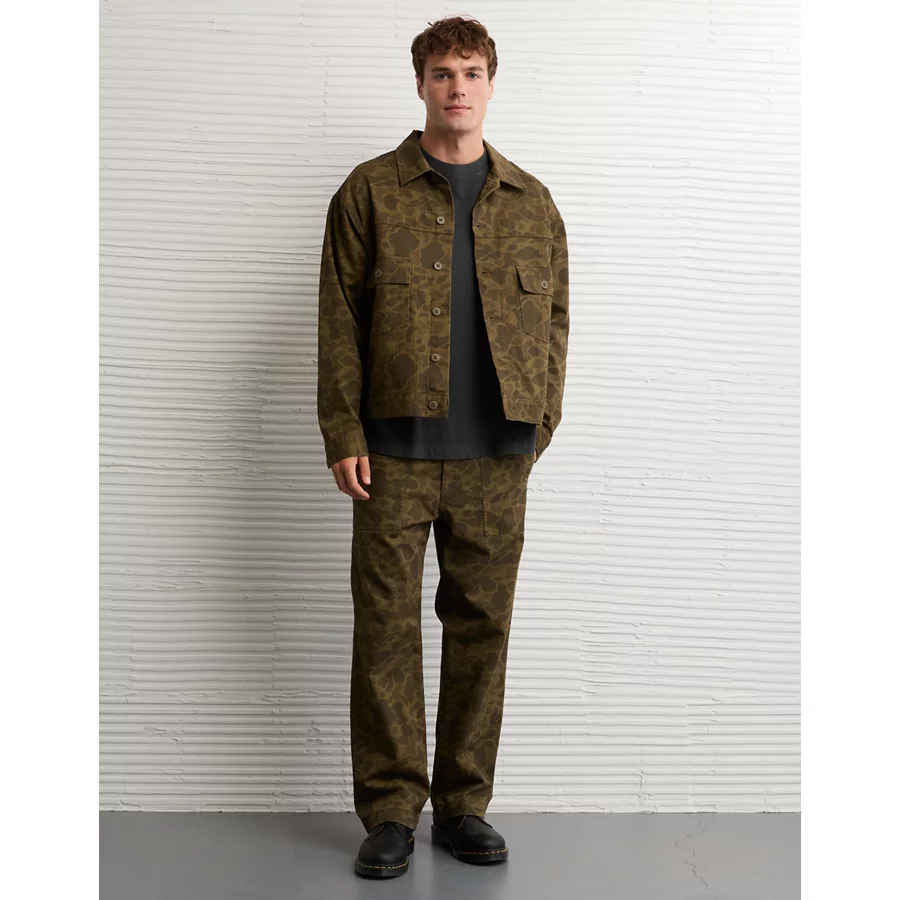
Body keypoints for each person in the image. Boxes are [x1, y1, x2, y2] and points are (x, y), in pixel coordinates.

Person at [316, 15, 570, 879]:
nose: (457, 88)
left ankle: (465, 806)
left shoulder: (532, 202)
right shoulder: (369, 192)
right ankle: (391, 809)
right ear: (420, 84)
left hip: (497, 456)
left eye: (470, 72)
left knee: (482, 630)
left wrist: (540, 422)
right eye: (441, 74)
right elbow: (339, 319)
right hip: (390, 455)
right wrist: (343, 430)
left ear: (491, 83)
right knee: (385, 631)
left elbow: (556, 322)